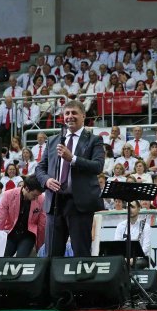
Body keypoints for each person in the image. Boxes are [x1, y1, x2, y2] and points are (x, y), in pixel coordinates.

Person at [35, 100, 104, 257]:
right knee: (52, 255)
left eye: (74, 113)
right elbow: (40, 168)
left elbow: (98, 166)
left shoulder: (94, 140)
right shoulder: (53, 140)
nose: (70, 116)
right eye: (67, 113)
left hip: (79, 204)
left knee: (81, 253)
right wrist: (47, 180)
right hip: (54, 203)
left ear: (83, 116)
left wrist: (72, 158)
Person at [0, 175, 46, 257]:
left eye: (38, 196)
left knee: (20, 259)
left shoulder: (42, 199)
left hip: (28, 235)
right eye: (34, 195)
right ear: (26, 188)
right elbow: (0, 220)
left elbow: (42, 225)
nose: (36, 198)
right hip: (10, 232)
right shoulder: (8, 195)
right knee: (2, 257)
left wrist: (39, 247)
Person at [113, 200, 151, 266]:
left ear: (139, 209)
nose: (130, 209)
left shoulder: (145, 226)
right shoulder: (120, 225)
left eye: (132, 207)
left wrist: (134, 259)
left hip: (141, 258)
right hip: (124, 257)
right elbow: (117, 245)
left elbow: (146, 248)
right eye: (128, 207)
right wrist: (124, 259)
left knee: (137, 263)